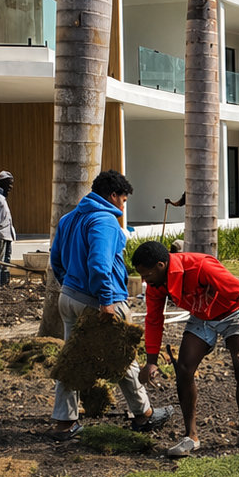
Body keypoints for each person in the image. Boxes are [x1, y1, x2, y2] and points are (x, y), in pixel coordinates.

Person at [48, 169, 173, 439]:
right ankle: (143, 415)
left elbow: (55, 260)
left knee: (72, 360)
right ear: (113, 195)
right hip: (98, 302)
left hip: (69, 298)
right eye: (124, 200)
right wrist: (106, 300)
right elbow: (99, 263)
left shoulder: (69, 218)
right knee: (124, 358)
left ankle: (64, 423)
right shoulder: (104, 220)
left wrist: (71, 284)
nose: (123, 206)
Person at [132, 240, 239, 458]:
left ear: (160, 265)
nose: (144, 281)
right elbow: (154, 320)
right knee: (183, 368)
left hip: (232, 313)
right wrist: (152, 361)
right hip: (202, 315)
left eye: (146, 275)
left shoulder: (201, 266)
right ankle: (191, 437)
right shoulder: (157, 285)